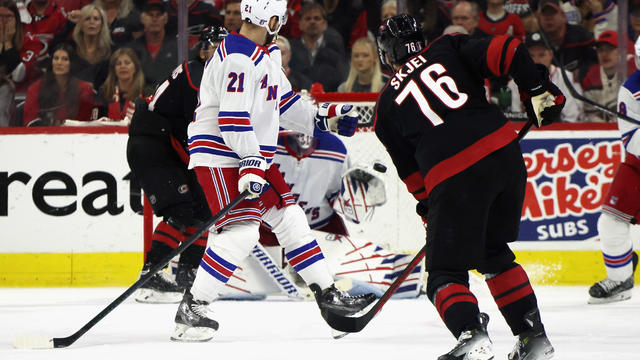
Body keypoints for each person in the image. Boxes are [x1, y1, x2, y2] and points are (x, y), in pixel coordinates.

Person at [172, 0, 373, 342]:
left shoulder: (263, 54)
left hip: (251, 155)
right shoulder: (237, 55)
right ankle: (193, 306)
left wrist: (327, 117)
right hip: (222, 155)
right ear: (272, 17)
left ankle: (328, 293)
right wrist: (251, 161)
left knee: (289, 216)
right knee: (241, 232)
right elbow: (233, 119)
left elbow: (287, 105)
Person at [375, 14, 565, 359]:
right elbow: (508, 49)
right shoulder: (447, 46)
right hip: (504, 157)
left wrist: (430, 209)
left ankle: (471, 335)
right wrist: (536, 88)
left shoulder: (385, 106)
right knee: (492, 255)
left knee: (445, 272)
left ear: (386, 54)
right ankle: (533, 339)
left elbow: (414, 177)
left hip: (453, 177)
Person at [127, 26, 228, 303]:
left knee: (205, 211)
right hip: (153, 146)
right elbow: (197, 127)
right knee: (183, 210)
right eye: (217, 46)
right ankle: (152, 275)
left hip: (169, 146)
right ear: (204, 49)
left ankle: (188, 273)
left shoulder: (210, 74)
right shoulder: (198, 74)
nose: (224, 53)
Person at [587, 35, 640, 304]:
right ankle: (620, 279)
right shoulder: (630, 92)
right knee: (610, 222)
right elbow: (632, 141)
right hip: (637, 165)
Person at [23, 42, 95, 126]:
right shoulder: (36, 88)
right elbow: (30, 121)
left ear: (72, 63)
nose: (59, 63)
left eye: (65, 59)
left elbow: (84, 123)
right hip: (43, 135)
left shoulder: (84, 89)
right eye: (56, 58)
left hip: (74, 136)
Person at [288, 2, 347, 92]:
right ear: (299, 23)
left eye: (317, 18)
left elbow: (341, 76)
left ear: (325, 24)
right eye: (308, 19)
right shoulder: (291, 48)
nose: (312, 22)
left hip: (329, 97)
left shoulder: (335, 47)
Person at [581, 30, 637, 122]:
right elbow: (590, 116)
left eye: (610, 49)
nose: (604, 54)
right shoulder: (590, 78)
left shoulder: (633, 73)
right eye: (600, 50)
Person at [536, 0, 597, 83]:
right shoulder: (535, 42)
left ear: (563, 16)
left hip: (581, 86)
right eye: (544, 14)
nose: (548, 18)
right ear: (539, 18)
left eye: (552, 13)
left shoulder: (580, 36)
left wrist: (583, 72)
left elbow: (596, 61)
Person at [128, 0, 178, 94]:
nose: (154, 19)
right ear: (142, 18)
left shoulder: (177, 48)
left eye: (158, 15)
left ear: (165, 18)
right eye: (150, 15)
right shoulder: (132, 49)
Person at [95, 47, 145, 122]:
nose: (123, 66)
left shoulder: (146, 93)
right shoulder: (104, 92)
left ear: (135, 68)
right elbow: (95, 123)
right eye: (118, 64)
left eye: (127, 63)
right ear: (114, 70)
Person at [72, 3, 112, 89]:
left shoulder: (110, 50)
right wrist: (69, 23)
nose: (91, 22)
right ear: (80, 24)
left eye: (96, 19)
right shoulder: (71, 49)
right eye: (87, 19)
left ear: (102, 24)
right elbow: (53, 47)